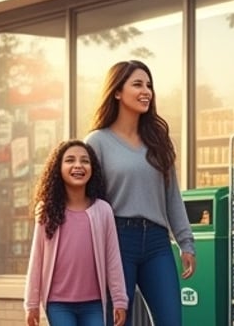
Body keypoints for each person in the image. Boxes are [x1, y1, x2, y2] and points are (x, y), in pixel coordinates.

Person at [87, 60, 194, 326]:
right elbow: (86, 200)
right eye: (137, 84)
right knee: (115, 322)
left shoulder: (158, 141)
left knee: (171, 321)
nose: (146, 91)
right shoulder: (97, 142)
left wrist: (186, 242)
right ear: (117, 91)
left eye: (149, 85)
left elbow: (172, 196)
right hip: (117, 240)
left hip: (158, 243)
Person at [25, 140, 128, 326]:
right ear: (58, 168)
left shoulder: (103, 210)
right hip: (58, 304)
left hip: (94, 304)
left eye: (85, 161)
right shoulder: (46, 210)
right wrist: (31, 303)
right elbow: (37, 259)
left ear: (92, 168)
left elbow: (113, 259)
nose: (78, 165)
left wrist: (120, 300)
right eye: (70, 160)